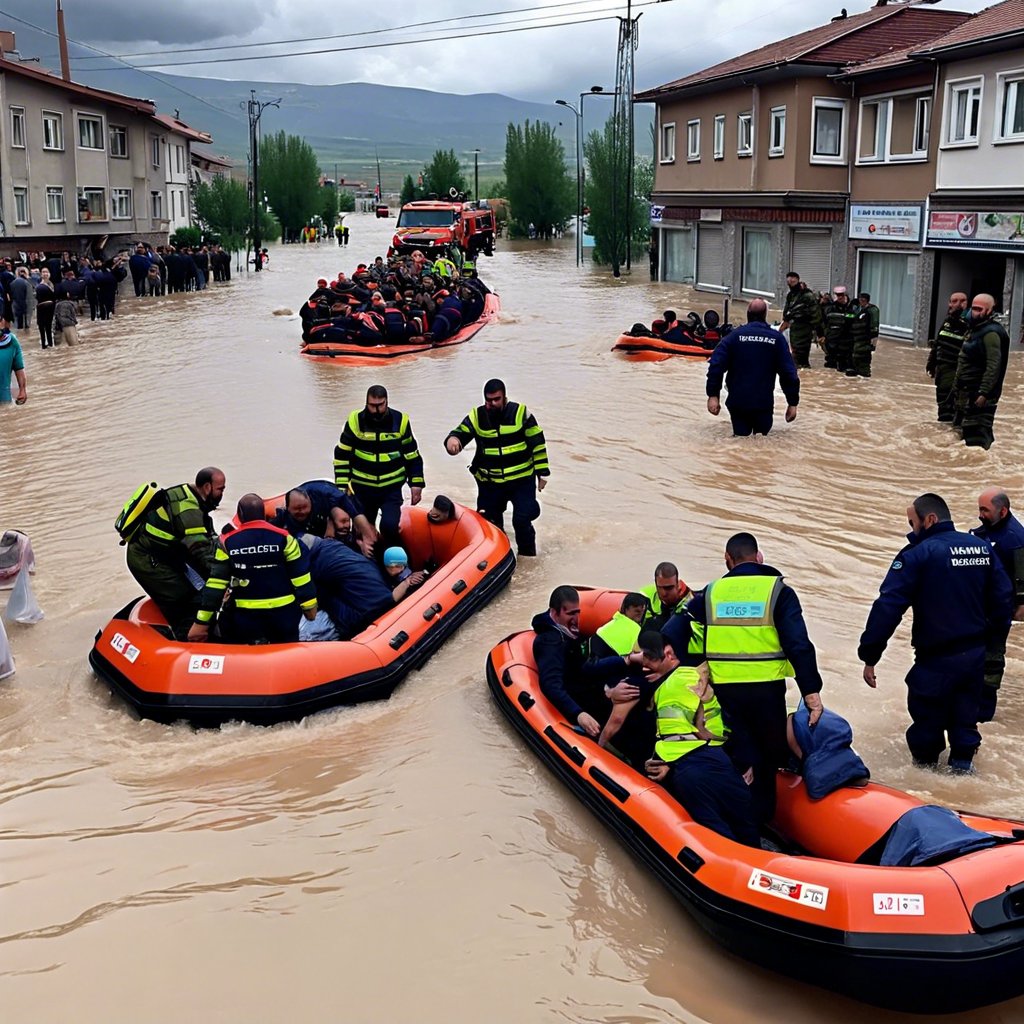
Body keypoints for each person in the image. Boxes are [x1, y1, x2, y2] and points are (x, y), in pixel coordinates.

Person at [858, 493, 1013, 774]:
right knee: (965, 719)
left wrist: (870, 653)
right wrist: (992, 642)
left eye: (912, 522)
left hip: (936, 659)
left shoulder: (917, 554)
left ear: (929, 520)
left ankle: (926, 785)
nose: (911, 529)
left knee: (927, 725)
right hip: (975, 655)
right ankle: (963, 775)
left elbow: (888, 606)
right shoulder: (980, 547)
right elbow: (1003, 599)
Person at [684, 532, 824, 822]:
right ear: (759, 558)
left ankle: (731, 818)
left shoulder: (709, 593)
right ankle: (762, 821)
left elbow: (675, 631)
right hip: (767, 692)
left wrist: (696, 668)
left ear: (727, 560)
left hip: (726, 693)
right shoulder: (778, 592)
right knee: (767, 758)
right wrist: (811, 693)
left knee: (737, 752)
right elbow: (798, 644)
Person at [640, 631, 761, 847]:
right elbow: (733, 717)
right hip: (722, 761)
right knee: (746, 827)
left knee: (717, 836)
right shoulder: (700, 675)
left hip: (692, 770)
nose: (645, 668)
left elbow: (673, 737)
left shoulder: (666, 691)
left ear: (668, 654)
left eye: (649, 661)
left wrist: (665, 764)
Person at [189, 493, 317, 645]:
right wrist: (309, 608)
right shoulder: (286, 538)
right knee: (287, 653)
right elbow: (301, 576)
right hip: (284, 616)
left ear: (240, 516)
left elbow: (216, 584)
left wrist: (201, 622)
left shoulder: (226, 542)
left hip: (245, 619)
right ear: (263, 514)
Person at [444, 379, 550, 556]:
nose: (492, 404)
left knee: (521, 520)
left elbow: (537, 444)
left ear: (504, 397)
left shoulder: (521, 413)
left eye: (496, 399)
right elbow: (459, 433)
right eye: (488, 400)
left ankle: (528, 558)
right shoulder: (477, 416)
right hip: (490, 483)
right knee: (490, 523)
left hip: (521, 481)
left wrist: (543, 473)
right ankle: (499, 557)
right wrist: (452, 441)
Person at [533, 586, 645, 739]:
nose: (576, 618)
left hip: (591, 691)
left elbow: (586, 666)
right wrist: (579, 714)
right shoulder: (550, 643)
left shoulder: (569, 634)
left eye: (577, 612)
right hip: (579, 702)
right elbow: (551, 684)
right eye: (570, 613)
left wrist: (625, 660)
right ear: (554, 612)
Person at [125, 467, 226, 639]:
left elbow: (208, 540)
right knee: (187, 601)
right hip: (149, 561)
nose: (222, 493)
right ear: (207, 487)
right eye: (220, 489)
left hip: (166, 554)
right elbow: (201, 551)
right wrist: (224, 576)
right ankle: (186, 643)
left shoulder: (190, 497)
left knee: (200, 588)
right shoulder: (188, 510)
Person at [333, 385, 425, 545]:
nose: (376, 410)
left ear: (387, 402)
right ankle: (365, 564)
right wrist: (341, 489)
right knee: (361, 532)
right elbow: (342, 457)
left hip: (391, 488)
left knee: (389, 526)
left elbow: (412, 455)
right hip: (362, 489)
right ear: (366, 403)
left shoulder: (401, 422)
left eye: (380, 405)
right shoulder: (354, 422)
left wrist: (416, 483)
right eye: (372, 405)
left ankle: (397, 562)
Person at [706, 297, 800, 437]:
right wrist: (792, 403)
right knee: (761, 445)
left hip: (738, 403)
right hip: (763, 404)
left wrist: (713, 395)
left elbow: (716, 366)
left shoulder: (733, 337)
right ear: (765, 315)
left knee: (740, 441)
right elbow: (789, 374)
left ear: (748, 314)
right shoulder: (777, 339)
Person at [970, 488, 1024, 721]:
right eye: (979, 509)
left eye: (985, 510)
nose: (980, 514)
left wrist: (1021, 604)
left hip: (999, 610)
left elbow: (1022, 577)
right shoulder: (984, 530)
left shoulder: (1015, 538)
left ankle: (983, 716)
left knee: (991, 661)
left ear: (1003, 511)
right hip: (978, 606)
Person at [953, 294, 1010, 450]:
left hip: (979, 397)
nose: (974, 312)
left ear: (990, 311)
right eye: (973, 308)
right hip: (966, 393)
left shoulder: (991, 334)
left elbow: (994, 366)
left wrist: (983, 393)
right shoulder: (976, 329)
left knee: (977, 441)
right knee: (963, 438)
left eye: (979, 309)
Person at [272, 480, 375, 555]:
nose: (302, 511)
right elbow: (268, 530)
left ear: (310, 502)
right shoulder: (283, 515)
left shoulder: (325, 498)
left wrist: (366, 538)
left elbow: (355, 512)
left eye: (304, 507)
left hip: (329, 538)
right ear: (288, 508)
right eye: (297, 509)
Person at [926, 292, 970, 423]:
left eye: (962, 301)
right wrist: (931, 363)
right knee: (943, 407)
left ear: (967, 303)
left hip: (956, 372)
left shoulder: (969, 323)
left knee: (952, 410)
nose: (958, 304)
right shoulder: (947, 321)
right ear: (950, 303)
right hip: (942, 371)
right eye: (955, 301)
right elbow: (938, 343)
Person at [640, 562, 694, 631]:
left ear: (678, 585)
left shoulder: (690, 602)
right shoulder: (645, 595)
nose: (664, 593)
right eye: (659, 587)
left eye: (669, 588)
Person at [821, 286, 857, 372]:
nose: (839, 297)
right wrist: (823, 335)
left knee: (844, 361)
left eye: (841, 295)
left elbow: (854, 321)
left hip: (847, 337)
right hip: (832, 337)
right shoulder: (829, 308)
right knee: (831, 364)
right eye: (838, 295)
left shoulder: (852, 307)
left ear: (845, 294)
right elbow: (824, 322)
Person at [849, 292, 880, 378]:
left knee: (864, 358)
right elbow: (850, 317)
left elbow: (875, 328)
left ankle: (864, 374)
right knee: (856, 357)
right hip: (856, 338)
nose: (861, 301)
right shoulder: (857, 309)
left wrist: (873, 344)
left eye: (863, 300)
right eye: (860, 300)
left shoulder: (872, 310)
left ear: (866, 300)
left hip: (866, 339)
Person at [0, 318, 27, 405]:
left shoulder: (12, 342)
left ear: (3, 322)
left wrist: (22, 390)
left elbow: (19, 368)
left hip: (4, 400)